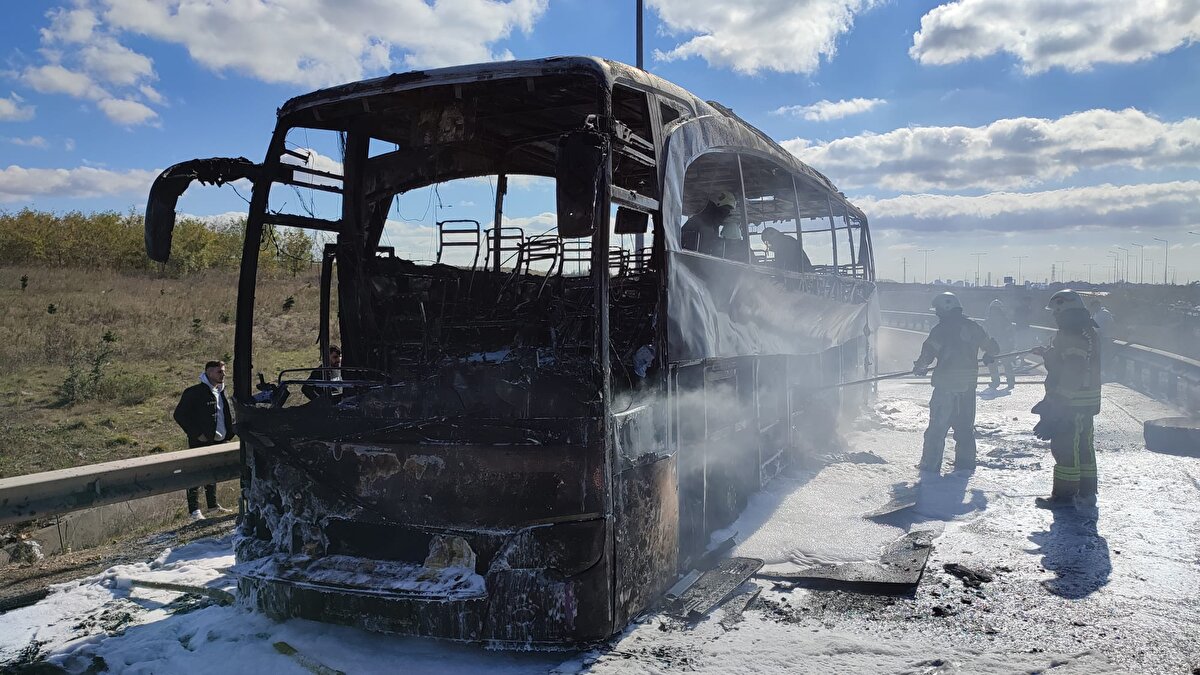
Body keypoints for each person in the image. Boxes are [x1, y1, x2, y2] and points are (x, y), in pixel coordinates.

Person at [912, 292, 999, 473]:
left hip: (946, 385)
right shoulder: (974, 327)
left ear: (945, 308)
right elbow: (993, 347)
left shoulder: (941, 330)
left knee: (937, 429)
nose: (936, 313)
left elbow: (928, 353)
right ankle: (966, 466)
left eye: (937, 310)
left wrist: (920, 367)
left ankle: (930, 466)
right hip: (968, 387)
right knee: (965, 429)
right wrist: (989, 355)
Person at [1032, 290, 1102, 509]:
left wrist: (1056, 404)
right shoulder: (1087, 331)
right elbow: (1073, 361)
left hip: (1070, 403)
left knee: (1065, 448)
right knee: (1084, 448)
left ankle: (1063, 497)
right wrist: (1049, 353)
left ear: (1063, 310)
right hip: (1086, 402)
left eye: (1055, 312)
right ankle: (1087, 492)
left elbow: (1073, 369)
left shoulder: (1070, 333)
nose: (1054, 316)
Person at [173, 360, 235, 521]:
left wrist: (230, 432)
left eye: (223, 371)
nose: (223, 374)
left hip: (219, 439)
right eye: (218, 372)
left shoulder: (221, 391)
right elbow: (180, 415)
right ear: (208, 373)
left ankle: (213, 506)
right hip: (201, 441)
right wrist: (196, 434)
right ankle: (194, 510)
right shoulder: (194, 392)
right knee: (197, 473)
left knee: (212, 472)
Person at [681, 191, 736, 258]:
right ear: (715, 207)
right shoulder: (698, 223)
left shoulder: (712, 225)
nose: (724, 215)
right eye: (723, 211)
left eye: (727, 212)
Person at [983, 299, 1016, 390]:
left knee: (997, 364)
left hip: (996, 346)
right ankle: (1008, 381)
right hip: (999, 346)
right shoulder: (1005, 321)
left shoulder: (989, 321)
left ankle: (999, 381)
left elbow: (984, 334)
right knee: (1002, 364)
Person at [1089, 300, 1116, 378]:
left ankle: (1107, 373)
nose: (1093, 309)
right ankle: (1101, 373)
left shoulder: (1105, 313)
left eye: (1094, 307)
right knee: (1099, 356)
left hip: (1105, 338)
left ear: (1097, 305)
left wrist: (1103, 332)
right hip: (1098, 338)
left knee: (1105, 356)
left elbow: (1110, 324)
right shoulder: (1095, 314)